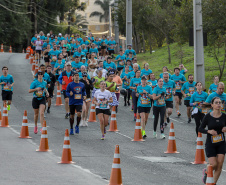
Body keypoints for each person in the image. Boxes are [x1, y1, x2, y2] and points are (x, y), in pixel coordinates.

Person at [199, 97, 226, 185]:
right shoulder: (208, 116)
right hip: (211, 143)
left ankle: (213, 183)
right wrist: (209, 131)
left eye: (220, 102)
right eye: (216, 102)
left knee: (220, 165)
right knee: (214, 165)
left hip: (221, 143)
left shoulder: (224, 116)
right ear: (212, 105)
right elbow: (200, 128)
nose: (218, 104)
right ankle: (206, 172)